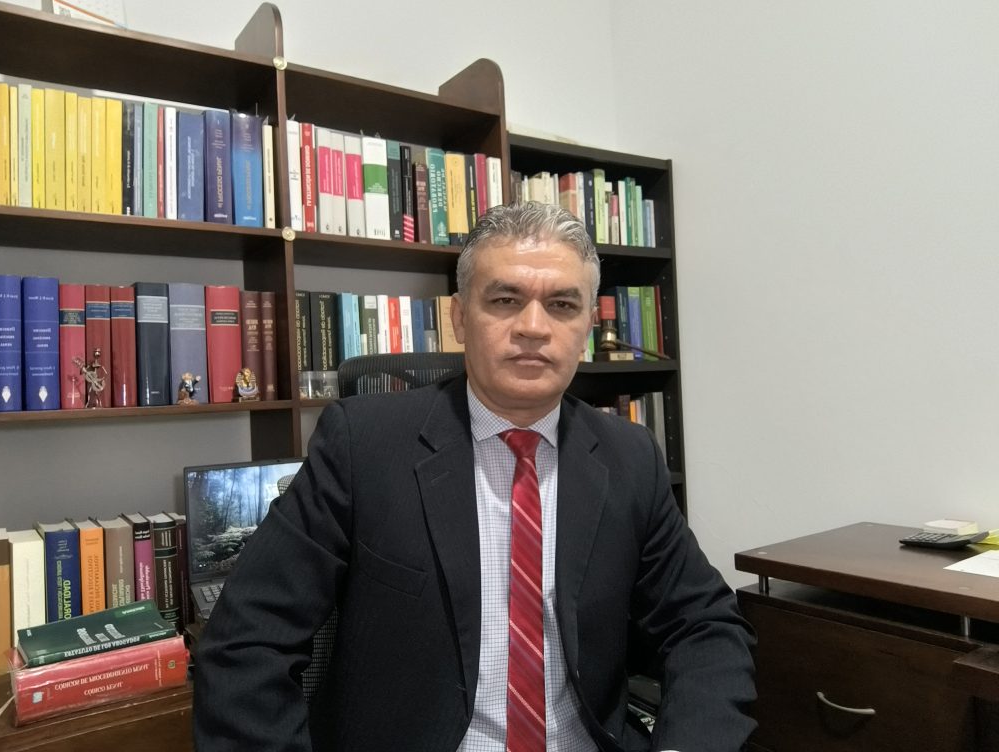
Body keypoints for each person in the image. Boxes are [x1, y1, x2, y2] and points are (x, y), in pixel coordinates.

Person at [193, 202, 756, 752]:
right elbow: (247, 641)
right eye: (505, 300)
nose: (533, 327)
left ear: (587, 325)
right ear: (460, 318)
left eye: (562, 304)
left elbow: (704, 625)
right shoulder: (362, 445)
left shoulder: (629, 456)